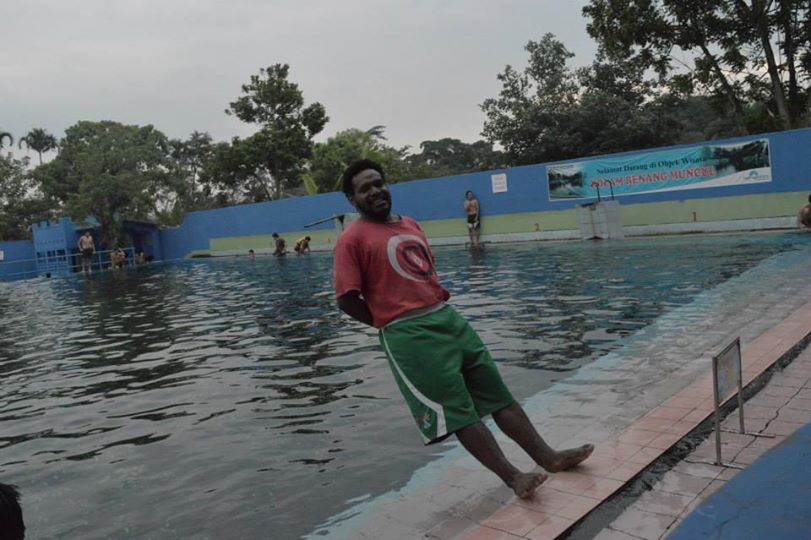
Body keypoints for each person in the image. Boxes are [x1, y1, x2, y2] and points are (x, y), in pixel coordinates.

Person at [333, 159, 593, 500]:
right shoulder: (351, 240)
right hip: (409, 335)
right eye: (365, 189)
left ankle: (549, 457)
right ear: (352, 200)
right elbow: (346, 299)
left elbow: (424, 273)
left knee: (498, 395)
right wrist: (387, 321)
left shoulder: (410, 224)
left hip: (448, 319)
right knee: (459, 413)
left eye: (378, 183)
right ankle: (514, 477)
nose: (375, 191)